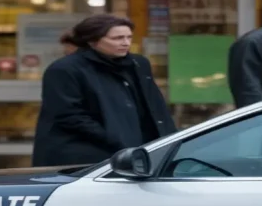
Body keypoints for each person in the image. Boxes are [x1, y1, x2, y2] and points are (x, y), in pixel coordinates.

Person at [32, 14, 177, 168]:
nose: (126, 43)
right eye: (117, 38)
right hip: (84, 157)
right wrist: (115, 139)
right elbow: (68, 115)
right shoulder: (65, 69)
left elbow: (152, 107)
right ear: (92, 41)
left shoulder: (138, 64)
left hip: (138, 153)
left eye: (129, 37)